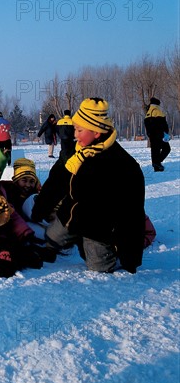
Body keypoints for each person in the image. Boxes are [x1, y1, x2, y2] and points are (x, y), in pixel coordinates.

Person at [31, 98, 147, 274]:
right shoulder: (75, 154)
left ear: (96, 133)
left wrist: (131, 255)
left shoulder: (122, 165)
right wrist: (40, 209)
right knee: (51, 237)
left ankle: (100, 251)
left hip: (98, 227)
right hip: (70, 216)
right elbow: (56, 183)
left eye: (79, 130)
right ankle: (58, 244)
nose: (74, 134)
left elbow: (132, 212)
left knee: (99, 268)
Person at [144, 97, 171, 171]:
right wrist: (165, 132)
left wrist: (149, 134)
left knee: (155, 150)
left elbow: (147, 124)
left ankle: (156, 166)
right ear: (157, 104)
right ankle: (157, 162)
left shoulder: (148, 111)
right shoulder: (157, 110)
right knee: (167, 148)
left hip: (152, 135)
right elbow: (162, 123)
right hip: (159, 134)